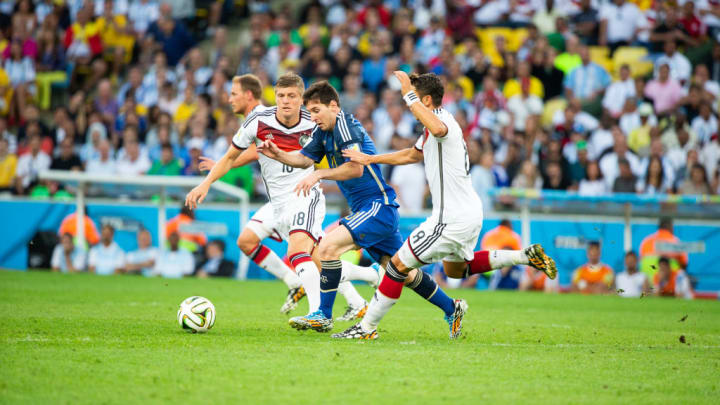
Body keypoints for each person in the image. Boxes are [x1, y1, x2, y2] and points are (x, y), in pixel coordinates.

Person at [334, 72, 557, 339]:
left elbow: (438, 129)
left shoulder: (441, 123)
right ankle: (524, 257)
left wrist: (408, 94)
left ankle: (366, 328)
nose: (410, 107)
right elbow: (410, 155)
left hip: (450, 219)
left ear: (425, 100)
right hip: (468, 213)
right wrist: (370, 159)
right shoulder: (433, 127)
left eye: (415, 99)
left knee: (396, 267)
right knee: (457, 269)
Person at [258, 79, 466, 337]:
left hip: (377, 206)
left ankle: (323, 315)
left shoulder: (345, 125)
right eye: (309, 112)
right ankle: (452, 307)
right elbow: (302, 159)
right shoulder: (323, 131)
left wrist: (319, 175)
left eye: (316, 111)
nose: (312, 117)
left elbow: (355, 168)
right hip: (369, 210)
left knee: (326, 248)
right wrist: (277, 153)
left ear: (333, 106)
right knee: (402, 271)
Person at [192, 74, 377, 315]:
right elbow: (233, 156)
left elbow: (337, 146)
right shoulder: (258, 120)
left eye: (291, 96)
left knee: (299, 252)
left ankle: (317, 313)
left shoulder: (314, 122)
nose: (285, 101)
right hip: (278, 204)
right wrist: (206, 183)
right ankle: (363, 284)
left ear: (302, 99)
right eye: (281, 96)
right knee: (317, 258)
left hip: (304, 195)